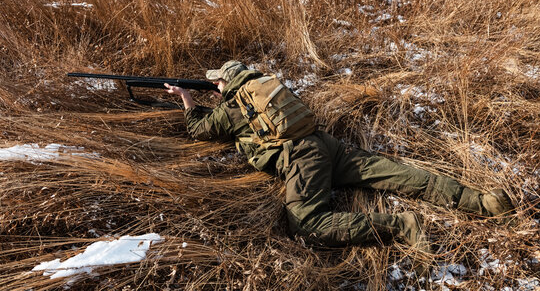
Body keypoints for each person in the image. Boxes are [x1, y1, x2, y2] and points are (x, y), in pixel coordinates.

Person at [164, 60, 514, 255]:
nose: (217, 88)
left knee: (307, 222)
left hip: (303, 158)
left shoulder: (234, 106)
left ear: (225, 84)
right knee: (398, 174)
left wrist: (186, 99)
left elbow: (199, 128)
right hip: (327, 144)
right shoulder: (268, 86)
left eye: (218, 84)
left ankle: (401, 225)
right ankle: (483, 202)